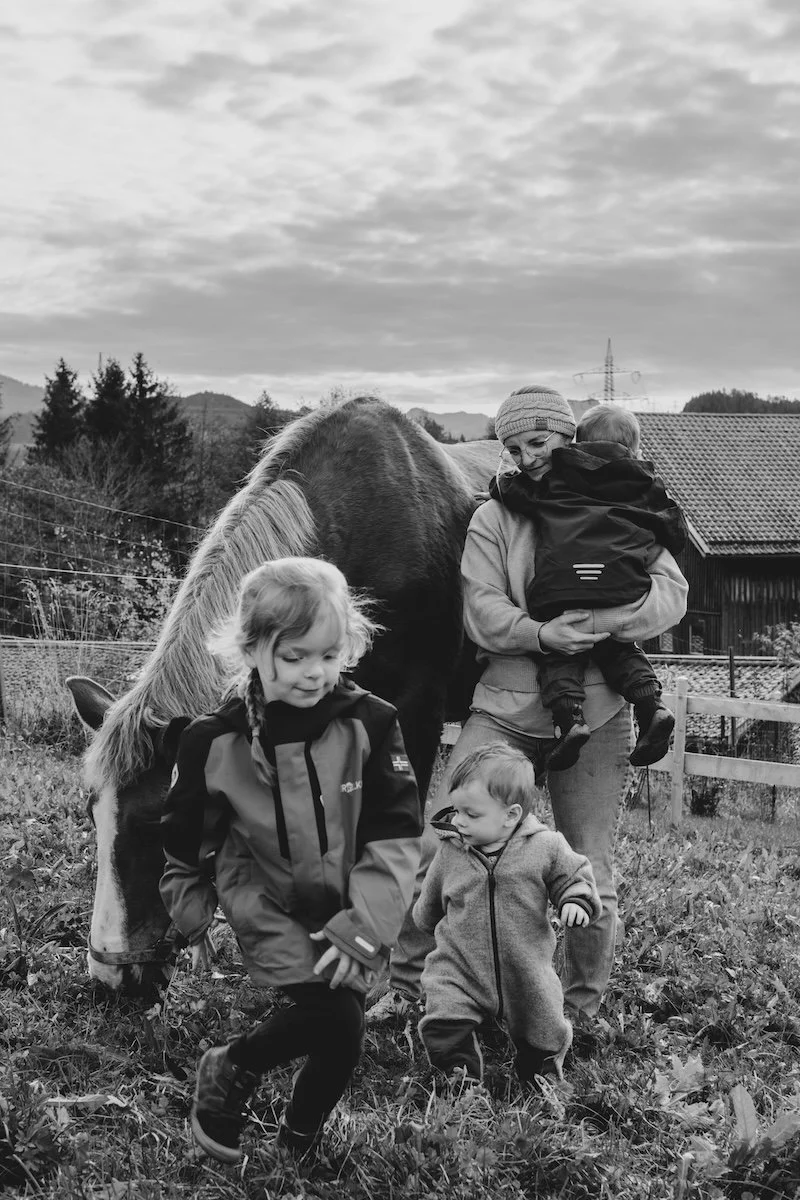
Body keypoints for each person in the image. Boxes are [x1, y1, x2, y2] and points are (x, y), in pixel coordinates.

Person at [368, 385, 688, 1030]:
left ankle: (580, 1008)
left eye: (538, 442)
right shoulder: (494, 517)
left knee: (588, 864)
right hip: (505, 708)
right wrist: (542, 634)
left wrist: (594, 623)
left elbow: (670, 594)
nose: (526, 458)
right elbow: (481, 612)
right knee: (442, 839)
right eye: (513, 448)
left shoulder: (620, 501)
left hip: (597, 711)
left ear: (571, 439)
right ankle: (409, 987)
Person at [159, 557, 422, 1164]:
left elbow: (396, 835)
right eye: (295, 656)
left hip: (349, 905)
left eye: (329, 655)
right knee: (335, 1015)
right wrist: (194, 916)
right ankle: (233, 1066)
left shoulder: (372, 723)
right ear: (252, 649)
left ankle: (298, 1146)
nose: (315, 672)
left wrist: (366, 924)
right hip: (265, 900)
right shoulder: (212, 740)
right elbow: (183, 841)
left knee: (343, 1031)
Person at [492, 402, 688, 771]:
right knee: (618, 648)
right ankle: (652, 707)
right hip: (622, 585)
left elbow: (515, 492)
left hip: (563, 589)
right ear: (636, 450)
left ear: (576, 444)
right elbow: (673, 524)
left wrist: (499, 480)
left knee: (560, 655)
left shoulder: (559, 480)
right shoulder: (645, 484)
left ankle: (570, 721)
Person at [414, 743, 601, 1084]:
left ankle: (541, 1076)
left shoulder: (545, 846)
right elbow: (431, 898)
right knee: (443, 1018)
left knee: (543, 1026)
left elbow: (573, 875)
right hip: (460, 964)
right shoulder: (451, 851)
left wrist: (575, 900)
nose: (458, 821)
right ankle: (460, 1081)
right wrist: (424, 920)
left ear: (511, 815)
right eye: (456, 810)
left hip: (525, 966)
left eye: (471, 814)